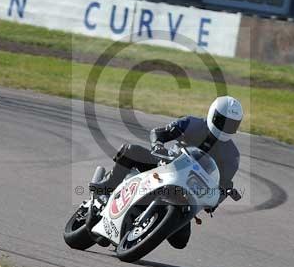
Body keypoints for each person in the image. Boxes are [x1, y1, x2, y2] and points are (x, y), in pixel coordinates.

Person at [91, 96, 243, 249]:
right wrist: (158, 145)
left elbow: (224, 184)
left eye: (231, 124)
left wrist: (216, 200)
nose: (225, 127)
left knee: (180, 241)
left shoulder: (232, 155)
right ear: (213, 114)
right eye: (222, 121)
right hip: (165, 166)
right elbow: (159, 132)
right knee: (131, 151)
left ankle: (147, 227)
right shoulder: (192, 123)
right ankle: (105, 187)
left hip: (190, 191)